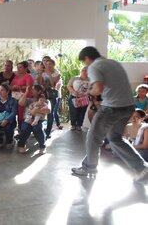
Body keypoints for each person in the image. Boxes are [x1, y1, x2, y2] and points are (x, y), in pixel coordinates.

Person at [71, 46, 148, 183]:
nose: (85, 65)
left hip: (112, 107)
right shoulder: (113, 62)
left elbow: (98, 89)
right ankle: (141, 168)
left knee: (93, 136)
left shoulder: (94, 66)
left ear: (87, 58)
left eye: (84, 62)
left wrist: (88, 92)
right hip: (128, 106)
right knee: (115, 138)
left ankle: (89, 167)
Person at [17, 85, 51, 154]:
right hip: (27, 119)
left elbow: (48, 111)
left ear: (39, 91)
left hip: (40, 120)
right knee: (25, 128)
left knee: (38, 128)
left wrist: (34, 111)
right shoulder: (28, 100)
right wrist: (26, 93)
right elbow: (20, 103)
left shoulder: (46, 101)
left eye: (33, 89)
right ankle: (21, 145)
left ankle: (42, 146)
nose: (31, 90)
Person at [39, 59, 61, 139]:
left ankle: (48, 132)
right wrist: (41, 74)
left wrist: (49, 74)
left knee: (50, 114)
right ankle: (40, 131)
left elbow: (53, 85)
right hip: (43, 95)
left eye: (50, 64)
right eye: (47, 64)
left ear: (53, 65)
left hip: (52, 96)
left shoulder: (57, 73)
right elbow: (40, 83)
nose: (48, 65)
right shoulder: (43, 73)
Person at [67, 66, 90, 131]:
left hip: (84, 98)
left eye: (87, 71)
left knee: (82, 112)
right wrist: (73, 91)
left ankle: (79, 125)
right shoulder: (74, 78)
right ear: (81, 71)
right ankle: (73, 125)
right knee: (73, 112)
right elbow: (69, 86)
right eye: (84, 70)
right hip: (74, 97)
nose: (85, 72)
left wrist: (86, 93)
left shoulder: (90, 80)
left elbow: (92, 89)